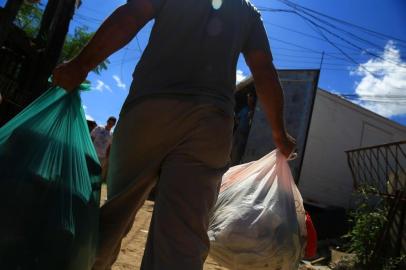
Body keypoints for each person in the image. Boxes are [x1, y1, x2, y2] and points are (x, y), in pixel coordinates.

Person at [52, 0, 296, 269]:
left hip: (150, 109)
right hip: (210, 124)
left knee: (113, 217)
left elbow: (131, 16)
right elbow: (263, 69)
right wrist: (279, 134)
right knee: (182, 241)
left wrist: (80, 64)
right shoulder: (247, 11)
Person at [231, 92, 256, 165]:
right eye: (248, 97)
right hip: (238, 131)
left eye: (250, 97)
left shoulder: (254, 110)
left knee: (237, 151)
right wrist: (237, 123)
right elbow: (237, 117)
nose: (249, 99)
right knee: (232, 147)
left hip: (245, 134)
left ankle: (233, 165)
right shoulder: (245, 109)